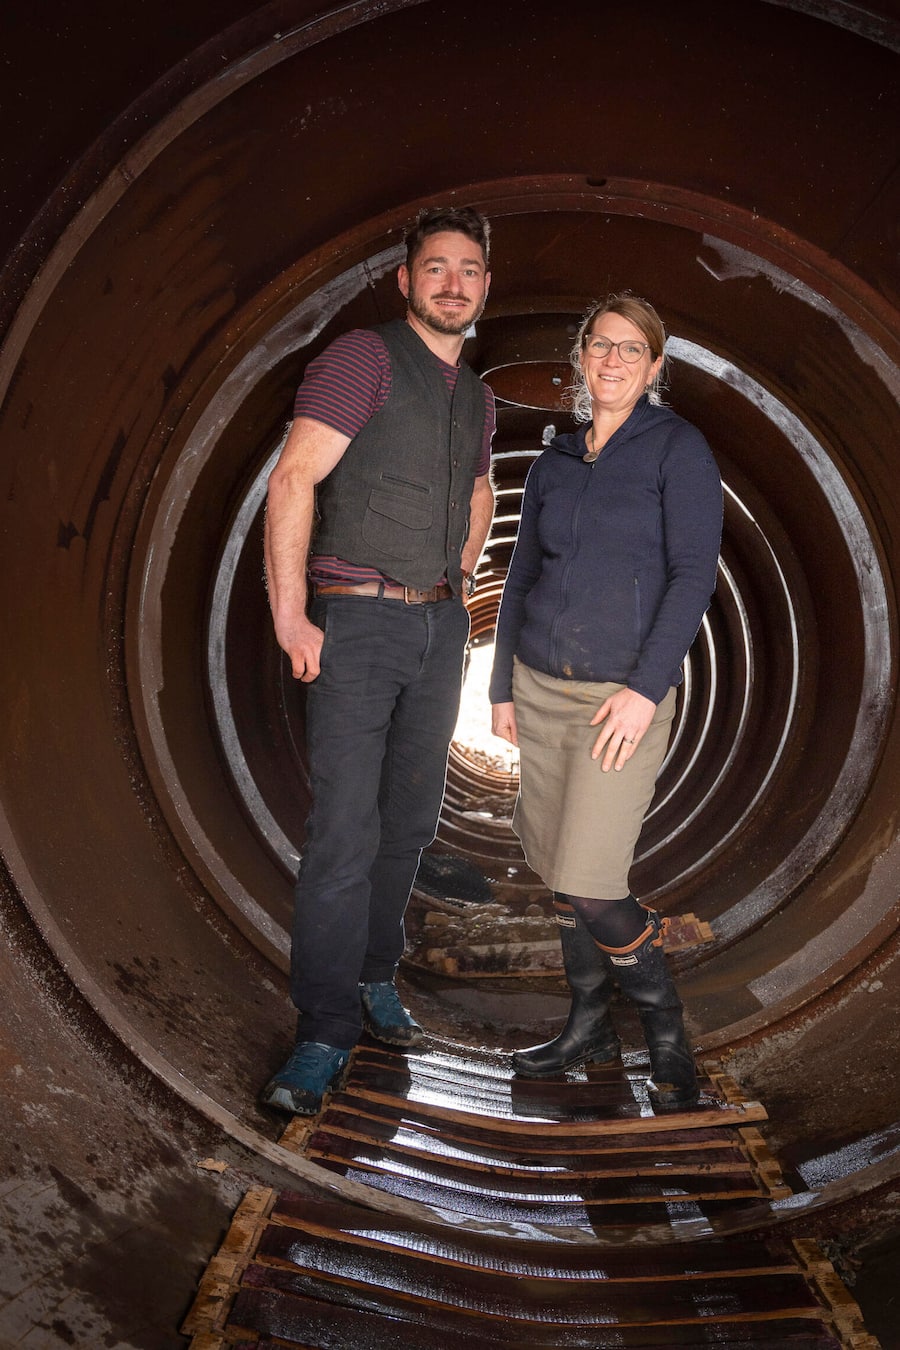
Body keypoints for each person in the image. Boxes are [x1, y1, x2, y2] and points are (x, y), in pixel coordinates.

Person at [261, 206, 496, 1114]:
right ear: (405, 281)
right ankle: (322, 1031)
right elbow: (294, 478)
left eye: (468, 270)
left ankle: (371, 978)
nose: (451, 283)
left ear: (484, 287)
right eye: (435, 267)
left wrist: (463, 581)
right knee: (344, 837)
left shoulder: (473, 395)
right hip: (355, 622)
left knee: (408, 823)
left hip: (439, 628)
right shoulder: (362, 359)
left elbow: (479, 489)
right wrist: (293, 616)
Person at [489, 293, 722, 1112]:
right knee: (558, 871)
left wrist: (643, 690)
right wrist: (499, 687)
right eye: (600, 346)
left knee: (592, 880)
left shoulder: (679, 451)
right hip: (542, 688)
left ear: (656, 367)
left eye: (633, 350)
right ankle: (587, 1023)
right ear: (581, 359)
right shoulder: (556, 460)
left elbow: (693, 575)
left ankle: (666, 1035)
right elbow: (520, 575)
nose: (613, 361)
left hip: (620, 698)